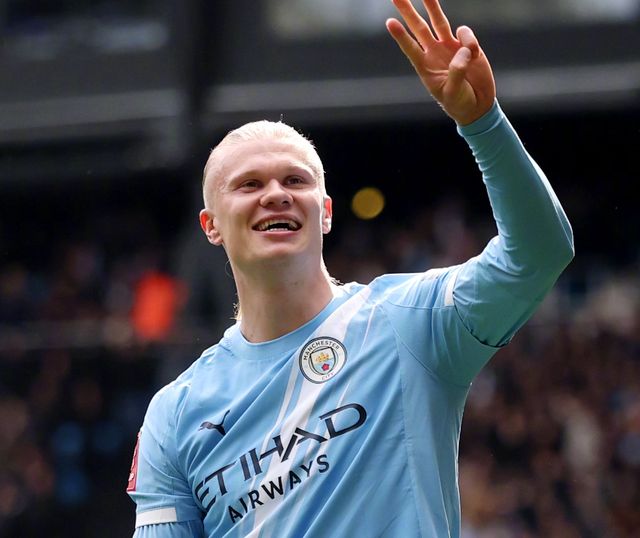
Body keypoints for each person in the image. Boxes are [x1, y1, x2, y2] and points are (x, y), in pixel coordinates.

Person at [127, 0, 574, 536]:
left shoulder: (407, 323)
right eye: (249, 184)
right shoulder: (175, 415)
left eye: (296, 181)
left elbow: (538, 254)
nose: (276, 194)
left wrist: (483, 124)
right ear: (211, 226)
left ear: (326, 212)